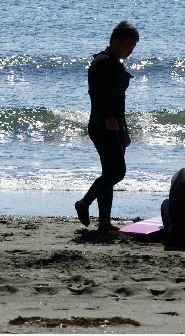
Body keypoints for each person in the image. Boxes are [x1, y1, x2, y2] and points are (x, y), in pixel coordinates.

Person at [75, 20, 139, 233]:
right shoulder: (101, 62)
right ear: (115, 41)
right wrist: (108, 118)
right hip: (101, 126)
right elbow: (95, 93)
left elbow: (120, 102)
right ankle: (84, 203)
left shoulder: (117, 63)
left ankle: (104, 222)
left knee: (108, 173)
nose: (130, 49)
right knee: (117, 172)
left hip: (115, 126)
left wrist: (125, 130)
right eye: (127, 44)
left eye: (133, 46)